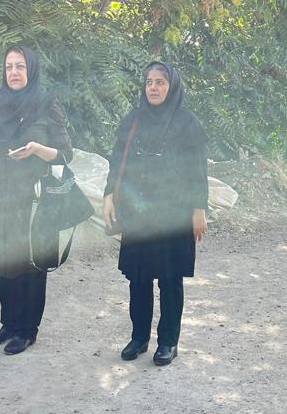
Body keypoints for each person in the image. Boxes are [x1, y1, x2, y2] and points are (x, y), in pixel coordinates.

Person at [0, 45, 73, 355]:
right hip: (1, 196)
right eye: (9, 66)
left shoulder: (46, 104)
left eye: (20, 66)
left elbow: (66, 153)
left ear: (31, 70)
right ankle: (9, 323)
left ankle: (27, 330)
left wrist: (37, 149)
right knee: (2, 263)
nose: (13, 72)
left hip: (33, 198)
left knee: (30, 266)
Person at [102, 61, 208, 366]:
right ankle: (139, 338)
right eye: (149, 82)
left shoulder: (187, 123)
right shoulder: (133, 120)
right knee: (139, 277)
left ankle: (168, 342)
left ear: (171, 86)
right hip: (138, 212)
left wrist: (199, 208)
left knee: (170, 279)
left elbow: (197, 168)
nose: (153, 87)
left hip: (175, 213)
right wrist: (109, 194)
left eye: (160, 82)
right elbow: (117, 159)